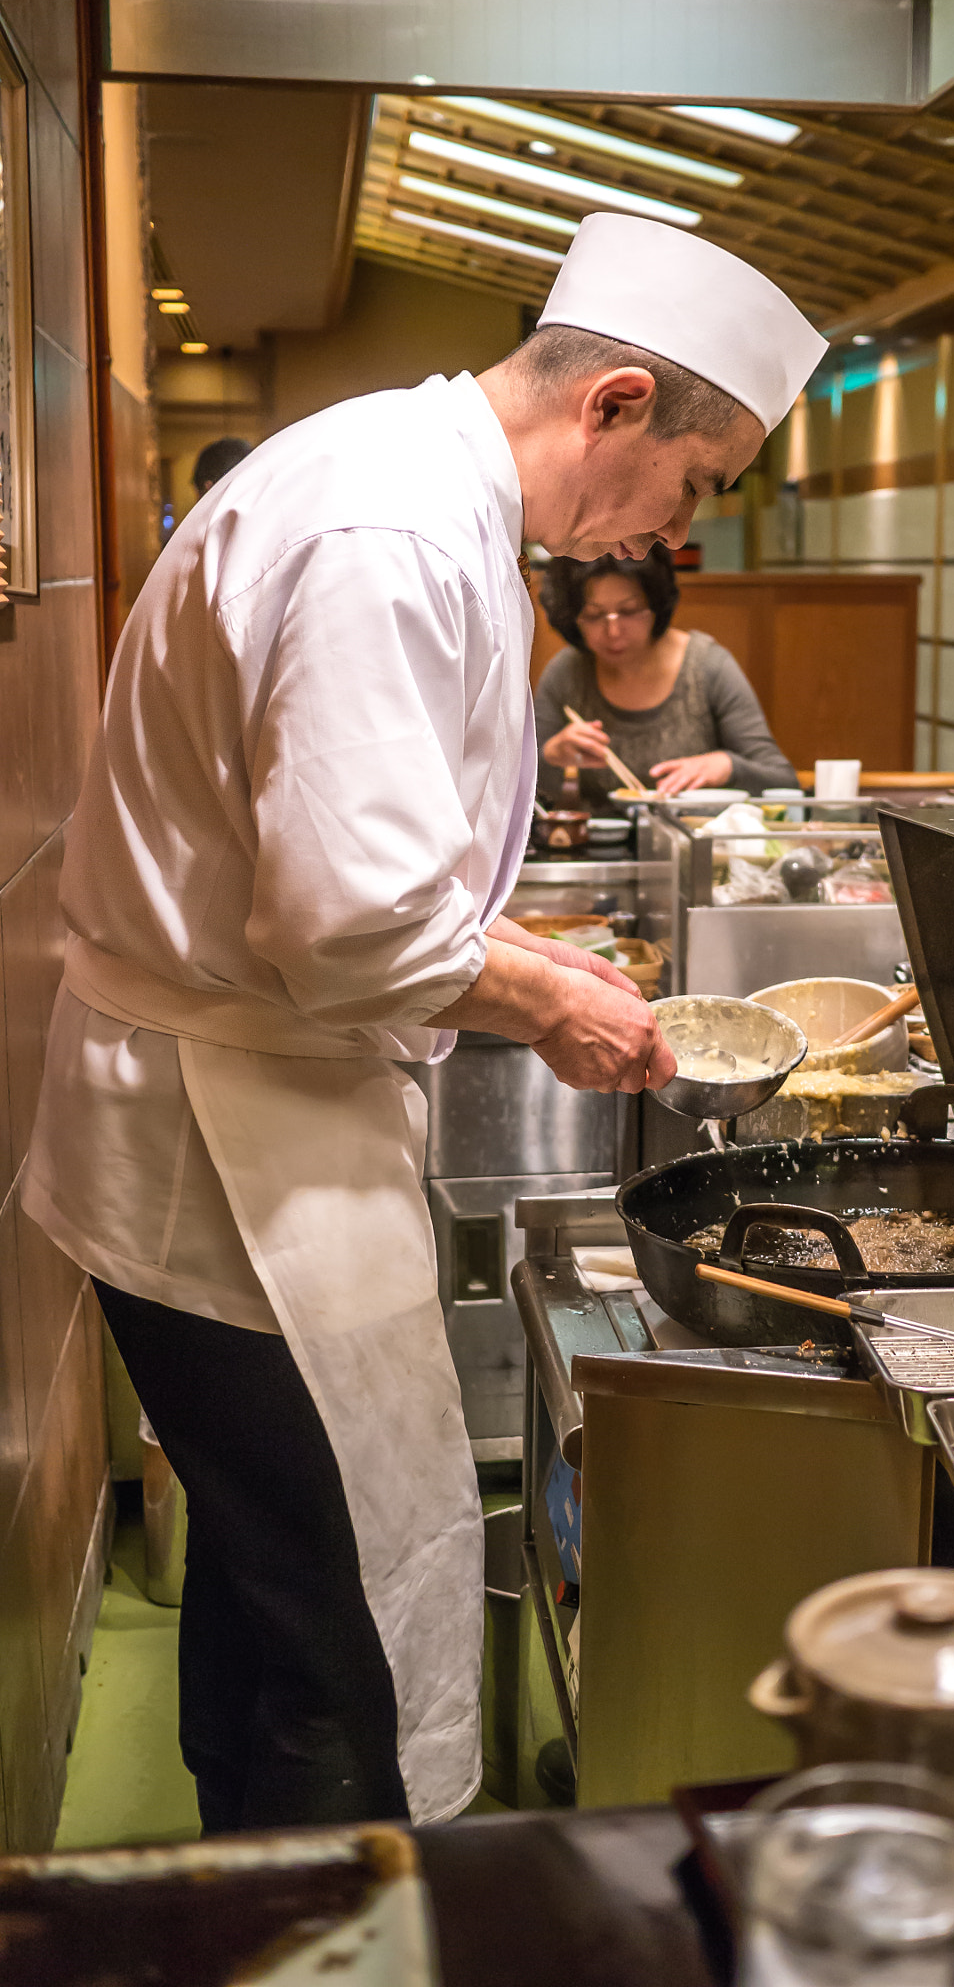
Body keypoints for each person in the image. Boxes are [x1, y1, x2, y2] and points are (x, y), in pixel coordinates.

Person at [20, 210, 826, 1833]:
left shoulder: (413, 486)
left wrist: (520, 955)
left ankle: (251, 1881)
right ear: (612, 406)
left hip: (259, 1105)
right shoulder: (387, 529)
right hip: (223, 1145)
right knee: (334, 1626)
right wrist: (550, 1002)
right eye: (698, 478)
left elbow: (359, 861)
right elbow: (348, 918)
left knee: (273, 1593)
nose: (684, 522)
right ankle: (319, 1911)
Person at [535, 544, 797, 803]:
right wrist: (550, 756)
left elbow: (783, 781)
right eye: (593, 615)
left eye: (630, 611)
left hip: (695, 840)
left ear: (657, 605)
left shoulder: (707, 667)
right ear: (571, 617)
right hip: (600, 843)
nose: (613, 632)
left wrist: (727, 766)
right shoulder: (567, 672)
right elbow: (521, 795)